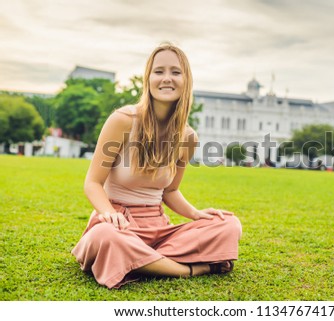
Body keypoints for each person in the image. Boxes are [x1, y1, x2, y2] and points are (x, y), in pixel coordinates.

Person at [71, 42, 242, 289]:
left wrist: (196, 214)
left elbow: (170, 191)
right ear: (148, 78)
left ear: (186, 80)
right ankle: (188, 269)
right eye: (159, 71)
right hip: (119, 226)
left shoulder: (188, 137)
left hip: (160, 231)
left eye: (175, 72)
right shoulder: (122, 120)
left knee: (228, 225)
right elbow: (93, 182)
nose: (166, 79)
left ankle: (145, 261)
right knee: (104, 238)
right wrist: (107, 213)